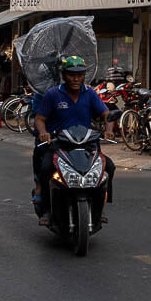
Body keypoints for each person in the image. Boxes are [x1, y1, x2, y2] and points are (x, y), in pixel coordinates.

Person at [32, 56, 115, 227]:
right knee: (46, 168)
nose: (76, 78)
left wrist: (109, 130)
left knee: (109, 167)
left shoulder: (90, 94)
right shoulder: (53, 94)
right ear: (64, 75)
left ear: (84, 75)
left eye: (80, 74)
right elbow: (39, 119)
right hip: (59, 145)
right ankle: (47, 209)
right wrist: (43, 132)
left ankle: (100, 206)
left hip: (86, 145)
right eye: (71, 74)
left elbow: (107, 115)